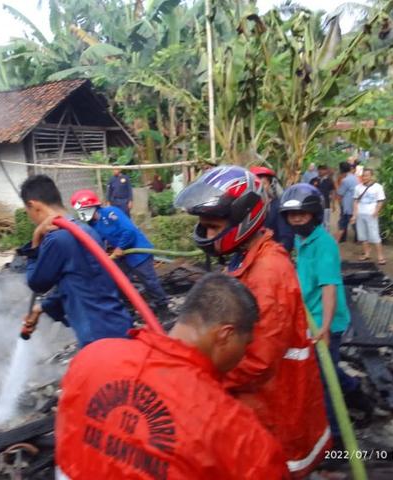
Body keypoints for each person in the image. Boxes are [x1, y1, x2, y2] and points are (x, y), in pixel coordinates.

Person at [174, 166, 330, 478]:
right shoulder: (246, 257)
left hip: (275, 406)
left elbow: (258, 360)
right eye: (203, 227)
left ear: (243, 220)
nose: (206, 235)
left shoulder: (268, 271)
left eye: (212, 227)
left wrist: (199, 381)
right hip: (262, 403)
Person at [56, 273, 290, 480]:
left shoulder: (93, 357)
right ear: (225, 335)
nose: (244, 354)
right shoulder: (237, 432)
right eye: (245, 344)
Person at [279, 183, 370, 443]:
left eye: (302, 214)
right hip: (310, 316)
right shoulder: (301, 239)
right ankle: (355, 391)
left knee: (323, 379)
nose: (296, 219)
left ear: (314, 215)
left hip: (326, 320)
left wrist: (326, 328)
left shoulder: (325, 245)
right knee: (325, 368)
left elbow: (329, 287)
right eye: (292, 215)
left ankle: (337, 438)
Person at [19, 175, 133, 347]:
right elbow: (78, 282)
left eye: (28, 213)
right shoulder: (85, 230)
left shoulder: (57, 238)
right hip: (115, 325)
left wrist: (36, 239)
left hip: (98, 337)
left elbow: (36, 283)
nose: (32, 219)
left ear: (34, 206)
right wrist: (40, 308)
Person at [71, 189, 170, 318]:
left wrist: (120, 247)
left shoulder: (111, 213)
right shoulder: (94, 225)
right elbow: (98, 241)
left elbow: (129, 231)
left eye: (83, 210)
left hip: (138, 252)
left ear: (92, 207)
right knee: (119, 282)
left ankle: (163, 308)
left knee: (149, 281)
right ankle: (130, 310)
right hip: (123, 256)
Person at [250, 166, 294, 252]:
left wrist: (274, 255)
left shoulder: (277, 207)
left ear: (270, 185)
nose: (260, 188)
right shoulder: (248, 208)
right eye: (256, 185)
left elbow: (286, 240)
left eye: (264, 184)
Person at [351, 168, 386, 265]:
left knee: (375, 235)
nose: (364, 177)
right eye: (363, 175)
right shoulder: (358, 187)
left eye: (367, 175)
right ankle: (367, 253)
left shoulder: (378, 187)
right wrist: (354, 215)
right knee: (363, 236)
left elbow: (380, 201)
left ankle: (380, 256)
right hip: (360, 214)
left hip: (371, 215)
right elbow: (355, 201)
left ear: (371, 176)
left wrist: (376, 211)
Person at [335, 162, 359, 243]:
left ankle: (337, 241)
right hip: (355, 205)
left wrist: (336, 185)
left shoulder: (345, 180)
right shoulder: (355, 178)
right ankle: (359, 239)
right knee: (353, 224)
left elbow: (340, 193)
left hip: (347, 206)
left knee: (343, 224)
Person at [315, 165, 335, 232]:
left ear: (326, 171)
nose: (321, 171)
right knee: (316, 221)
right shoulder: (314, 180)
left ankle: (326, 236)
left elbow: (332, 192)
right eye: (319, 169)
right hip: (315, 205)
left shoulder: (329, 181)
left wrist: (333, 204)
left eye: (323, 169)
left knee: (326, 222)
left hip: (326, 205)